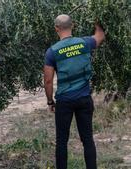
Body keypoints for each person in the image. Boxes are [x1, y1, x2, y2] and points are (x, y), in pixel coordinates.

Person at [44, 14, 105, 169]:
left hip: (64, 101)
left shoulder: (52, 52)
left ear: (56, 29)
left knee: (62, 141)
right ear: (73, 26)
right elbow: (100, 35)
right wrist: (97, 18)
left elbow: (48, 81)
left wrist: (50, 101)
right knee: (88, 139)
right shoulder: (85, 43)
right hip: (84, 98)